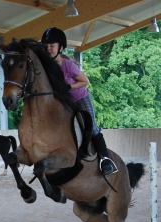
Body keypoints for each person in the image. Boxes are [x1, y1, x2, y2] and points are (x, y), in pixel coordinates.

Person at [41, 27, 118, 176]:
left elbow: (85, 81)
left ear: (61, 48)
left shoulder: (68, 65)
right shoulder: (47, 67)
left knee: (92, 127)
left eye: (52, 46)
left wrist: (68, 86)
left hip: (80, 98)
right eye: (46, 46)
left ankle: (105, 160)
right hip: (64, 103)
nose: (48, 49)